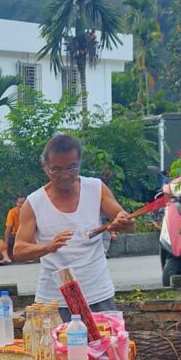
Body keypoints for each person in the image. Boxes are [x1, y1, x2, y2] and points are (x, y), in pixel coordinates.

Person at [13, 133, 135, 318]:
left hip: (98, 294)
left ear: (79, 163)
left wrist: (122, 221)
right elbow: (19, 250)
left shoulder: (96, 188)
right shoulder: (34, 203)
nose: (65, 176)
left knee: (105, 346)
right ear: (45, 167)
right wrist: (48, 247)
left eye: (72, 168)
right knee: (57, 348)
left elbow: (129, 224)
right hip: (54, 300)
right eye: (56, 169)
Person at [0, 195, 26, 265]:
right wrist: (6, 242)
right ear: (16, 203)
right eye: (19, 203)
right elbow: (8, 228)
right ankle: (6, 258)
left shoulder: (29, 211)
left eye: (23, 203)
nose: (21, 205)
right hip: (15, 235)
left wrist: (22, 213)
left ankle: (30, 257)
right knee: (0, 241)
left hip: (26, 235)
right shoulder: (12, 212)